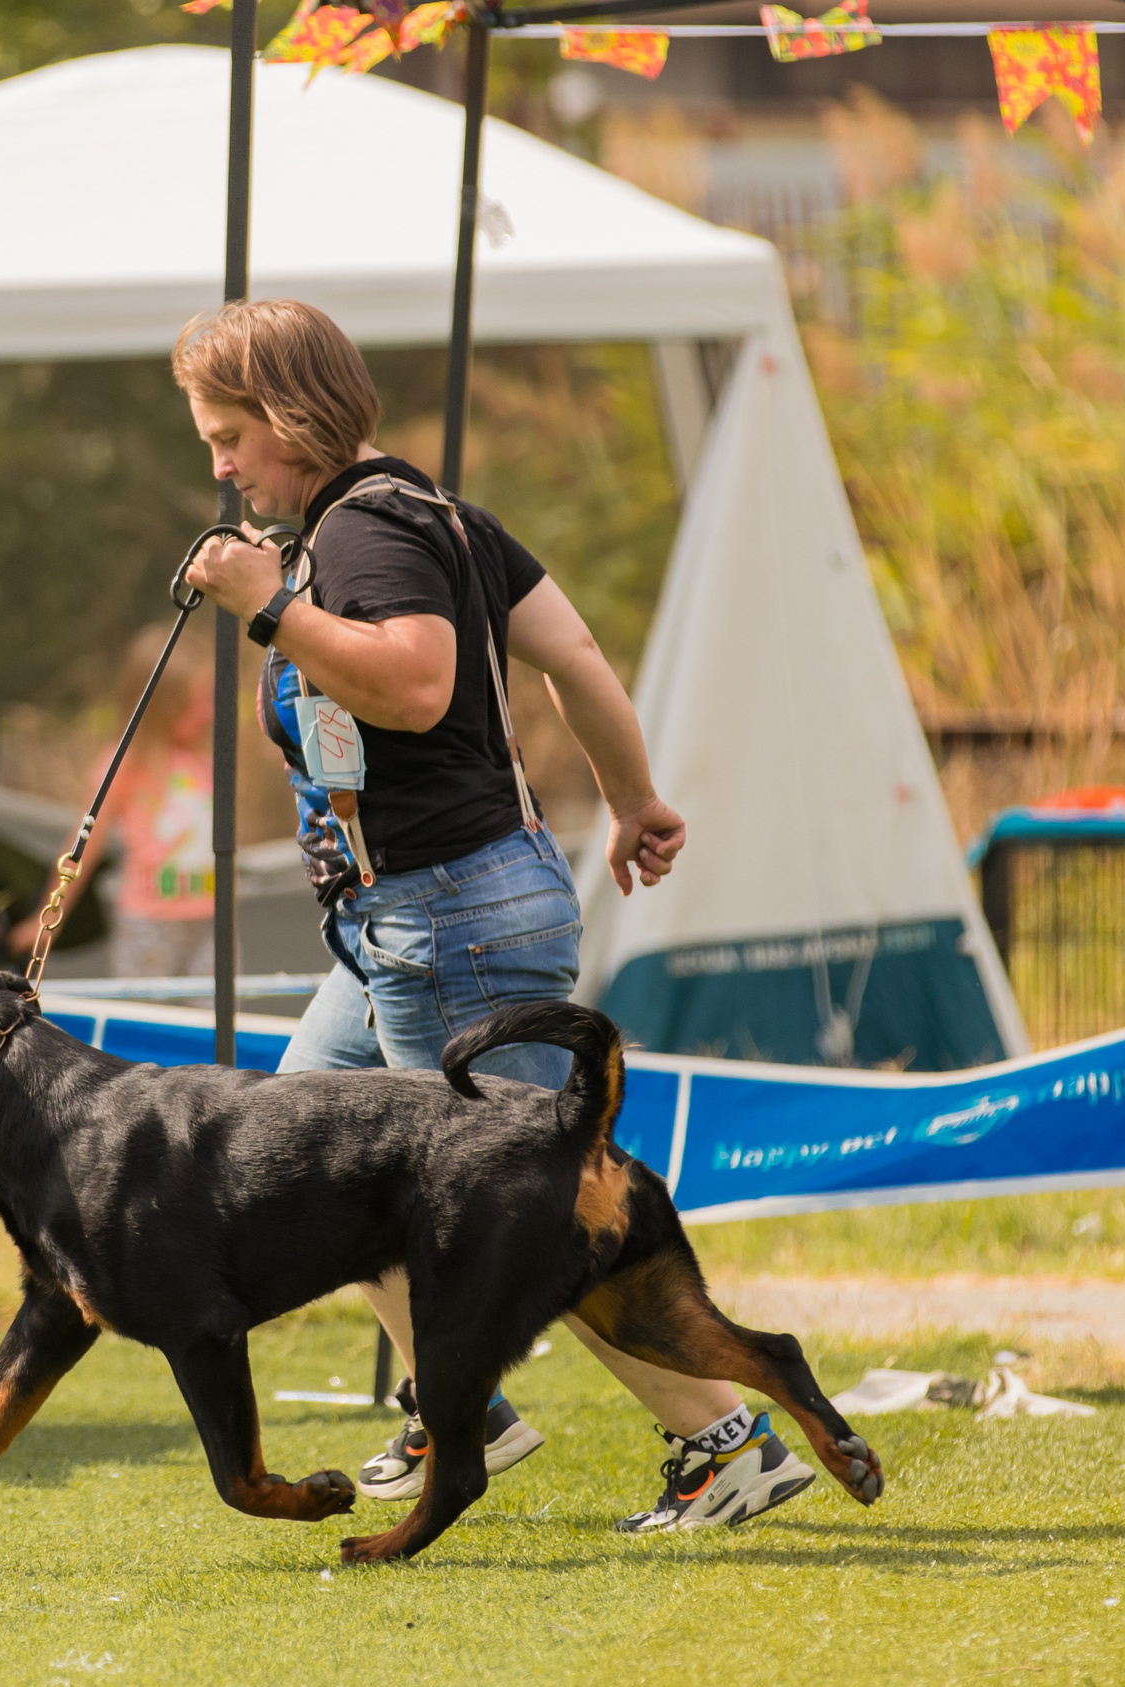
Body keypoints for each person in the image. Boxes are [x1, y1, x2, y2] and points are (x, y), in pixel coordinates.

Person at [176, 300, 816, 1535]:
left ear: (288, 417)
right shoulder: (443, 518)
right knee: (301, 1174)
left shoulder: (361, 536)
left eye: (227, 436)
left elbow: (417, 685)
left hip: (448, 919)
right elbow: (574, 656)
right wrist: (632, 801)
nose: (219, 467)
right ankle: (459, 1406)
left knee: (519, 1224)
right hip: (403, 930)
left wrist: (269, 607)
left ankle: (725, 1445)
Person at [9, 625, 217, 979]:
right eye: (195, 703)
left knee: (216, 1019)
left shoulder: (207, 762)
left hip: (208, 920)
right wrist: (49, 917)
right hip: (149, 924)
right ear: (163, 707)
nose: (209, 712)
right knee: (144, 1020)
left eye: (210, 699)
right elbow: (85, 842)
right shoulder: (125, 765)